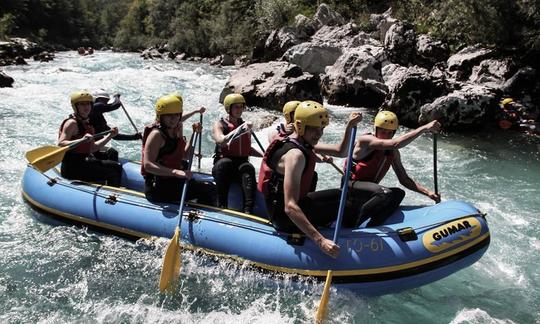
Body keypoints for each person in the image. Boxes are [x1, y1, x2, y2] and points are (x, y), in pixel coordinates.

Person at [258, 100, 361, 258]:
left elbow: (340, 151)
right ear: (300, 126)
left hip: (287, 209)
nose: (319, 134)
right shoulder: (295, 155)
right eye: (314, 129)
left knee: (342, 196)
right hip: (285, 219)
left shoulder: (300, 142)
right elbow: (290, 207)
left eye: (321, 129)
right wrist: (321, 241)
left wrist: (349, 126)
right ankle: (352, 236)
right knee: (347, 202)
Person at [345, 110, 441, 228]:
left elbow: (404, 179)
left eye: (390, 133)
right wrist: (424, 128)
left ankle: (372, 226)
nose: (386, 135)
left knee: (398, 193)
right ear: (376, 129)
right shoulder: (365, 141)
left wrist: (428, 193)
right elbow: (395, 144)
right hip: (351, 186)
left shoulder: (392, 152)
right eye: (383, 131)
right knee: (385, 193)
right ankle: (353, 224)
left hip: (370, 190)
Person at [141, 94, 213, 204]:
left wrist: (194, 134)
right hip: (158, 186)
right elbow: (148, 165)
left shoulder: (176, 130)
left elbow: (184, 155)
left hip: (172, 179)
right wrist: (175, 172)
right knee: (207, 190)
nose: (173, 119)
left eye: (176, 115)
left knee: (209, 187)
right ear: (161, 116)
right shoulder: (156, 135)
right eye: (169, 115)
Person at [58, 91, 122, 186]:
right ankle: (111, 194)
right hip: (72, 167)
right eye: (82, 104)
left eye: (88, 104)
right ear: (76, 107)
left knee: (115, 165)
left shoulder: (88, 124)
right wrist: (80, 140)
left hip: (84, 162)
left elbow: (92, 148)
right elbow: (61, 143)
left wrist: (110, 136)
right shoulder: (72, 123)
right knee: (113, 170)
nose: (86, 107)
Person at [212, 93, 263, 213]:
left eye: (241, 107)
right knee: (225, 163)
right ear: (228, 109)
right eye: (236, 107)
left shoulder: (244, 125)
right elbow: (221, 141)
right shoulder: (219, 124)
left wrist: (265, 155)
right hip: (223, 166)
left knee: (248, 167)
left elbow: (247, 149)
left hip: (240, 165)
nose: (239, 110)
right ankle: (222, 206)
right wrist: (240, 130)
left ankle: (248, 210)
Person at [90, 91, 142, 161]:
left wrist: (134, 137)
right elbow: (116, 105)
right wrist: (116, 97)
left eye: (107, 101)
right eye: (103, 100)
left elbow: (115, 136)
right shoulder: (95, 106)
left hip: (96, 148)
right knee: (112, 154)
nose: (105, 103)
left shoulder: (99, 120)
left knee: (113, 153)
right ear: (96, 99)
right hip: (89, 149)